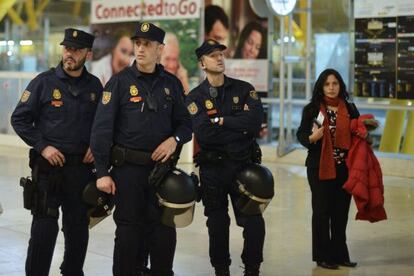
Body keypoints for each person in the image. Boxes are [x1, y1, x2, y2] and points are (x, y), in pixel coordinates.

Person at [90, 22, 192, 276]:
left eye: (147, 44)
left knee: (163, 234)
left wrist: (175, 140)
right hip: (128, 173)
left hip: (162, 173)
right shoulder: (119, 83)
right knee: (128, 234)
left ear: (160, 50)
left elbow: (186, 124)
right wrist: (102, 171)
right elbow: (101, 129)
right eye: (138, 44)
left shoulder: (172, 84)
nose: (141, 49)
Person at [10, 28, 102, 276]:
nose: (69, 54)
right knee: (44, 228)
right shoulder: (43, 82)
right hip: (48, 170)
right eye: (67, 48)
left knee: (77, 227)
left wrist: (96, 144)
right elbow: (19, 119)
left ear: (87, 54)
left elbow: (103, 123)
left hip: (80, 171)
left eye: (76, 50)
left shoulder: (95, 87)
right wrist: (43, 146)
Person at [185, 39, 266, 276]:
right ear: (202, 63)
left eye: (221, 54)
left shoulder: (244, 89)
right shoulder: (194, 98)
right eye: (212, 55)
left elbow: (254, 123)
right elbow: (204, 134)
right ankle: (221, 269)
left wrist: (222, 121)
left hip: (244, 166)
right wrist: (238, 126)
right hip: (213, 171)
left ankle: (252, 268)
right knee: (217, 224)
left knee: (253, 221)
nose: (219, 58)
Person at [296, 68, 359, 270]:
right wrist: (311, 138)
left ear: (340, 86)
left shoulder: (350, 109)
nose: (331, 88)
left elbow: (356, 134)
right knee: (322, 212)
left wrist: (366, 131)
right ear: (321, 87)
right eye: (327, 84)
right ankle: (322, 256)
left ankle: (340, 254)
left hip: (345, 169)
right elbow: (301, 134)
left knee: (340, 213)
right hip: (319, 168)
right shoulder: (312, 109)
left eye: (335, 84)